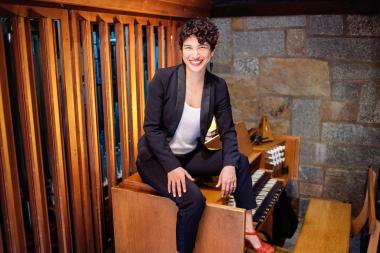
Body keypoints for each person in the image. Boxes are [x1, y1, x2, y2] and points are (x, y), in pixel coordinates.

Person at [136, 17, 274, 253]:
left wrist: (228, 165)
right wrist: (172, 167)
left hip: (189, 155)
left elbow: (228, 130)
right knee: (194, 201)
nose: (195, 54)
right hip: (157, 160)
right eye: (189, 47)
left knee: (239, 161)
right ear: (181, 50)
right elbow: (151, 129)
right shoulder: (163, 79)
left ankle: (248, 230)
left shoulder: (218, 86)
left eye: (202, 47)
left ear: (212, 51)